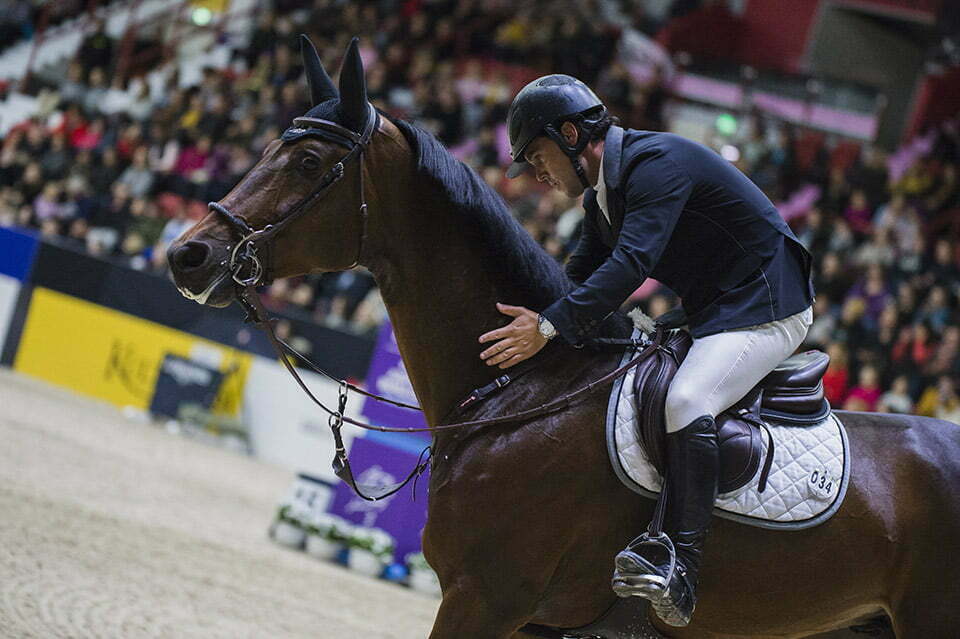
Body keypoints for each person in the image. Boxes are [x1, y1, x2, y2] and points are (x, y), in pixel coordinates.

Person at [477, 75, 814, 627]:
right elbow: (575, 280)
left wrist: (549, 326)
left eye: (537, 156)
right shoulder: (603, 197)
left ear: (570, 135)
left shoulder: (654, 164)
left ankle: (680, 565)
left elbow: (630, 265)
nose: (537, 173)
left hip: (768, 303)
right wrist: (527, 316)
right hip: (715, 308)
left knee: (687, 400)